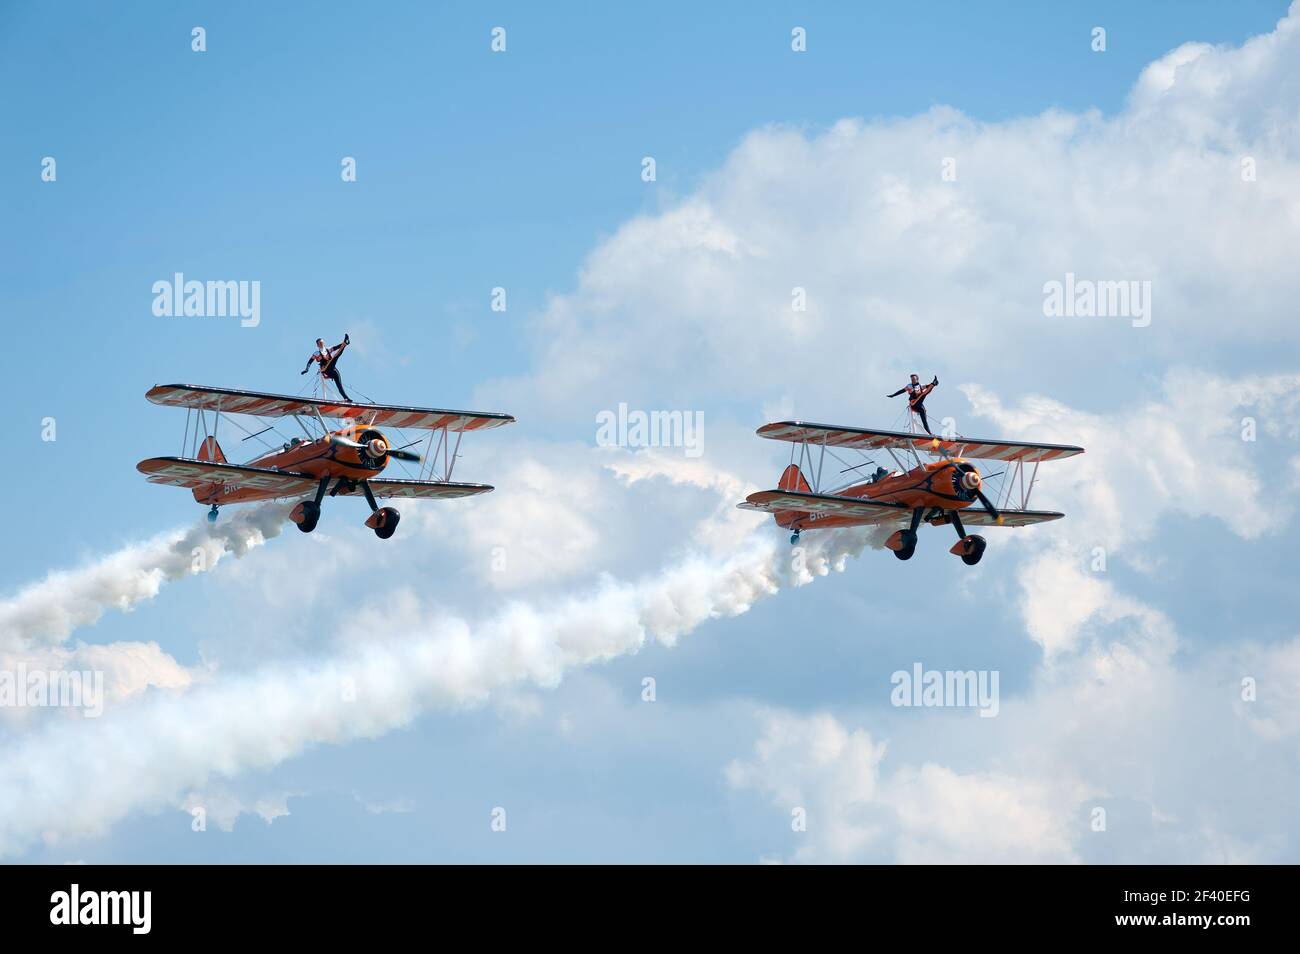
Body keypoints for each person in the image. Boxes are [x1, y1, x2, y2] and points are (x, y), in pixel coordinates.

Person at [301, 334, 352, 401]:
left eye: (322, 342)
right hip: (326, 369)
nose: (321, 344)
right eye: (320, 343)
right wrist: (306, 369)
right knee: (335, 357)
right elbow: (310, 362)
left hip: (333, 370)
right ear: (317, 345)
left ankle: (347, 398)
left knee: (340, 386)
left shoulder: (329, 349)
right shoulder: (317, 353)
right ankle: (345, 343)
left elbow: (338, 347)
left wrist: (343, 344)